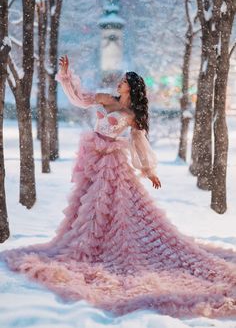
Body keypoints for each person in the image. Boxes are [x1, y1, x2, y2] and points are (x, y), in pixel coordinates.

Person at [1, 56, 236, 319]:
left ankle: (108, 241)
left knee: (111, 203)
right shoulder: (106, 99)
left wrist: (148, 171)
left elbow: (138, 144)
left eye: (125, 81)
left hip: (111, 161)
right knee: (87, 201)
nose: (120, 82)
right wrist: (66, 74)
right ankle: (90, 240)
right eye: (122, 79)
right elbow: (79, 98)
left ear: (131, 87)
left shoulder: (133, 115)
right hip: (93, 155)